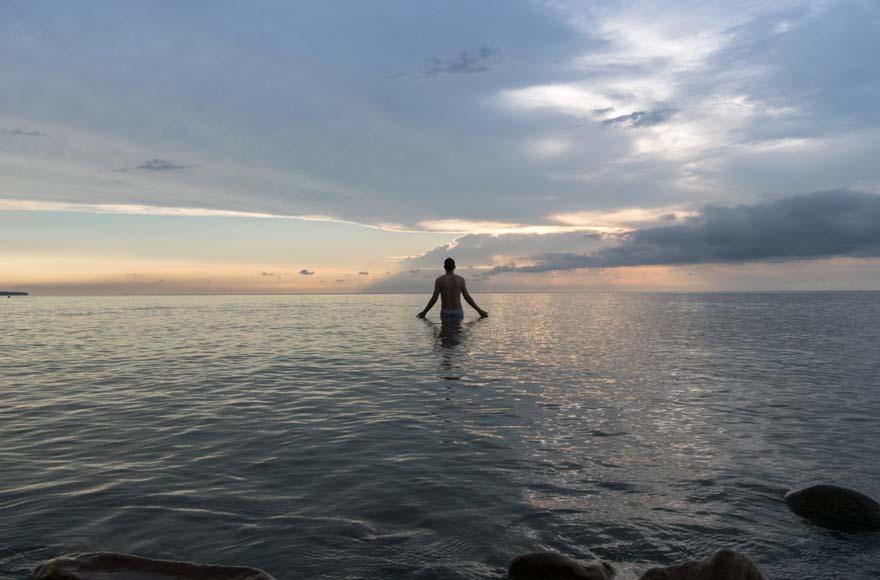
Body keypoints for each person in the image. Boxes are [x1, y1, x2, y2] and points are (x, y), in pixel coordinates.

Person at [417, 258, 488, 320]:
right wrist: (479, 311)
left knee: (445, 335)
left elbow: (434, 299)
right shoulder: (460, 280)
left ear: (444, 267)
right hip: (458, 311)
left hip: (445, 312)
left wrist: (424, 312)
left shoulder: (439, 280)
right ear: (454, 267)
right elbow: (467, 298)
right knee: (458, 334)